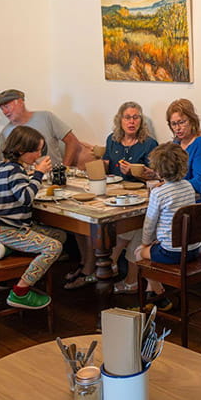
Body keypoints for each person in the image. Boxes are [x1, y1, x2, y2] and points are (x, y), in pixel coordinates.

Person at [64, 101, 157, 291]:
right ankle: (102, 265)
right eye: (127, 117)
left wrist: (133, 171)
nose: (131, 121)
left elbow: (153, 175)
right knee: (86, 221)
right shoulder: (112, 139)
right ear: (120, 120)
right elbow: (107, 166)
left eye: (136, 117)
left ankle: (108, 264)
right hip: (113, 194)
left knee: (125, 227)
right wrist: (98, 162)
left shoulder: (149, 143)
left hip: (137, 196)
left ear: (141, 120)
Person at [0, 125, 67, 310]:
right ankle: (21, 291)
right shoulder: (16, 171)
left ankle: (8, 249)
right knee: (54, 246)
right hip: (12, 230)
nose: (38, 154)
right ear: (20, 150)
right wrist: (38, 174)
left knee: (61, 235)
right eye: (35, 150)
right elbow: (26, 198)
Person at [134, 142, 201, 312]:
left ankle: (160, 294)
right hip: (192, 249)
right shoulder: (188, 186)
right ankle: (152, 295)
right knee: (152, 249)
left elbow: (149, 224)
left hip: (172, 253)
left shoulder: (158, 192)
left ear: (157, 169)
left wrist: (145, 244)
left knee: (138, 253)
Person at [0, 89, 86, 168]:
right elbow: (4, 162)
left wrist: (64, 168)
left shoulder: (46, 117)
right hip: (24, 182)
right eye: (2, 108)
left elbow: (72, 141)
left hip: (53, 178)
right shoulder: (5, 132)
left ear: (20, 102)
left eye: (7, 106)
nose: (5, 112)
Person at [166, 98, 201, 202]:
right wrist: (154, 173)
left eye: (181, 122)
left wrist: (171, 187)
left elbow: (200, 183)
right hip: (177, 200)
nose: (177, 128)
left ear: (192, 121)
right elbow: (170, 175)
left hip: (195, 204)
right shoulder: (176, 144)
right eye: (173, 124)